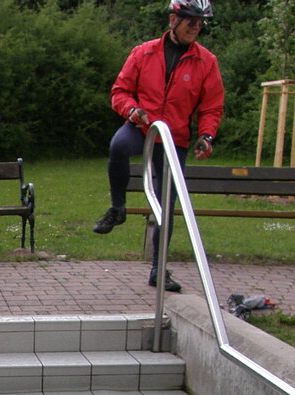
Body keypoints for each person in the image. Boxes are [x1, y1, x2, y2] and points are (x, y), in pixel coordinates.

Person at [93, 0, 225, 293]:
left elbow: (212, 106)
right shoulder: (144, 52)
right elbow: (120, 91)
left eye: (200, 23)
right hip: (143, 125)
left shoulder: (206, 61)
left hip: (174, 138)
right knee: (118, 147)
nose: (196, 27)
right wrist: (131, 110)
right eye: (191, 21)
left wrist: (206, 137)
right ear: (173, 19)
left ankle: (158, 269)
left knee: (167, 204)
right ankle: (117, 208)